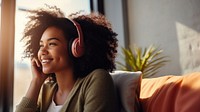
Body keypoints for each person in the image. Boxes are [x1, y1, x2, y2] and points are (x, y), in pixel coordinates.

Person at [16, 5, 119, 112]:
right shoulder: (46, 91)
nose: (42, 51)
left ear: (75, 47)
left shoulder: (96, 79)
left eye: (52, 44)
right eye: (41, 45)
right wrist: (36, 81)